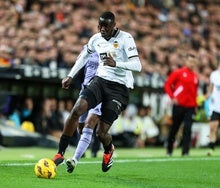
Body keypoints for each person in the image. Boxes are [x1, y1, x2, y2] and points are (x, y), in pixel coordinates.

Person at [52, 11, 142, 173]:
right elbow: (83, 57)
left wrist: (117, 64)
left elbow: (137, 65)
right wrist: (70, 75)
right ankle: (60, 153)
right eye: (100, 26)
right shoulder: (95, 39)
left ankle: (108, 149)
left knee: (101, 133)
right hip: (100, 81)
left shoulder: (126, 38)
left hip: (119, 88)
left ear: (114, 25)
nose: (102, 29)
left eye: (106, 26)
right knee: (76, 111)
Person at [164, 53, 199, 156]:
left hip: (191, 107)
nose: (192, 63)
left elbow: (194, 92)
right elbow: (167, 85)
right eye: (190, 61)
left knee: (188, 129)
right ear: (186, 62)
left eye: (193, 62)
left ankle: (185, 152)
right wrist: (172, 97)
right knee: (175, 128)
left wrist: (196, 105)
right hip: (179, 105)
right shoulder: (178, 73)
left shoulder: (195, 76)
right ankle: (169, 150)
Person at [205, 61, 220, 156]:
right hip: (216, 107)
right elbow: (211, 87)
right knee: (212, 128)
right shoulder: (214, 75)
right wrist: (207, 95)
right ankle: (211, 148)